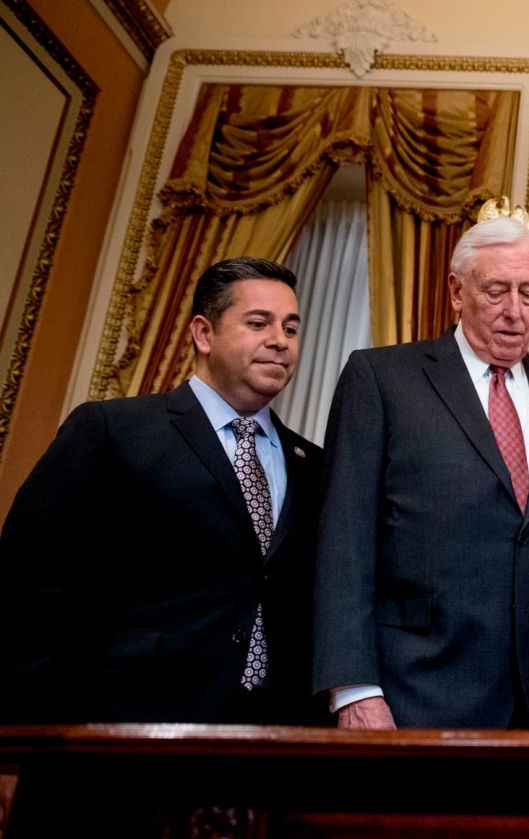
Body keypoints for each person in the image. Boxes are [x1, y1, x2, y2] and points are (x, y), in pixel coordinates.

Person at [313, 208, 529, 730]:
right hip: (413, 694)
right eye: (497, 291)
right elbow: (344, 540)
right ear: (457, 292)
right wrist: (354, 687)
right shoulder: (383, 380)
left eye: (528, 293)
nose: (515, 311)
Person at [0, 257, 322, 724]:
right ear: (203, 333)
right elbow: (29, 584)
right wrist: (18, 736)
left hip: (270, 736)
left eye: (291, 329)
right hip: (124, 727)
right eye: (258, 323)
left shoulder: (313, 464)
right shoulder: (112, 431)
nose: (280, 341)